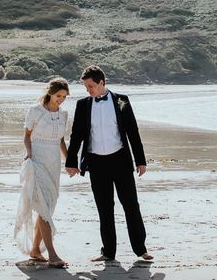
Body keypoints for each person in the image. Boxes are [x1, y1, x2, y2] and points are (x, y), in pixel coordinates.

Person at [65, 65, 153, 262]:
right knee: (104, 209)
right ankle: (108, 252)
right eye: (86, 87)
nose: (88, 90)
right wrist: (71, 161)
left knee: (131, 206)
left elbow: (133, 131)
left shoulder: (122, 101)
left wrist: (140, 160)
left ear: (101, 83)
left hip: (120, 160)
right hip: (96, 163)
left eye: (91, 86)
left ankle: (141, 249)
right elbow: (76, 135)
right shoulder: (83, 105)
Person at [14, 77, 70, 267]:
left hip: (53, 165)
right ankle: (53, 254)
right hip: (36, 162)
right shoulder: (35, 111)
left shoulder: (63, 114)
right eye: (58, 96)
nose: (60, 100)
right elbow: (26, 136)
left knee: (48, 206)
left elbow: (61, 141)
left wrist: (70, 161)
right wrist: (29, 153)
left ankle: (36, 250)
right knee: (43, 208)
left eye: (64, 97)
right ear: (50, 93)